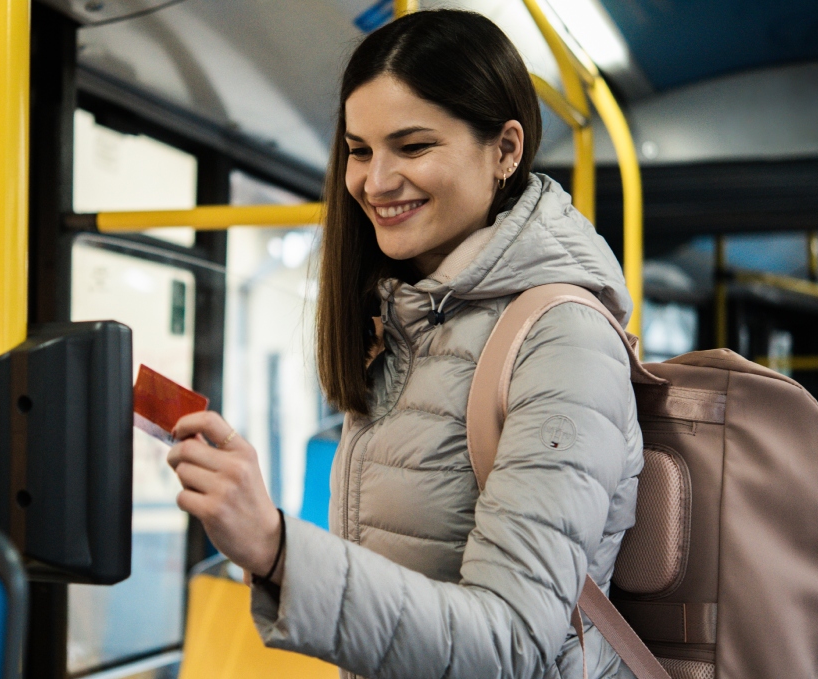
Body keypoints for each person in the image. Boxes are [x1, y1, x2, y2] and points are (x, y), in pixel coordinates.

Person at [167, 9, 641, 678]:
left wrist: (277, 550)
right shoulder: (408, 320)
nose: (375, 180)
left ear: (505, 150)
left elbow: (509, 646)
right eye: (360, 150)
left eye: (413, 146)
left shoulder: (564, 341)